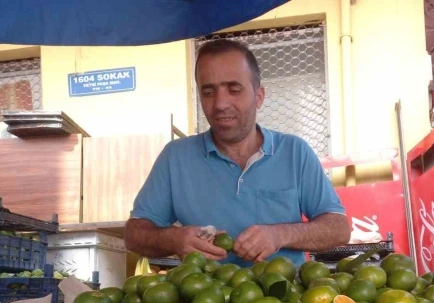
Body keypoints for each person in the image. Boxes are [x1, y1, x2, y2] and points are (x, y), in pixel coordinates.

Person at [125, 39, 351, 266]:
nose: (221, 103)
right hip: (204, 298)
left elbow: (338, 229)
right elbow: (134, 235)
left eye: (234, 90)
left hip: (284, 297)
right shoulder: (175, 157)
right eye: (209, 91)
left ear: (259, 96)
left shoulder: (294, 152)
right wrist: (174, 239)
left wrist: (279, 234)